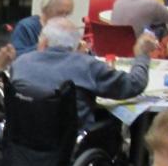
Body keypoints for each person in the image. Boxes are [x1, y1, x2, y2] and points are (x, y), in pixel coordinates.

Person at [10, 16, 157, 129]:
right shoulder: (87, 66)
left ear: (43, 42)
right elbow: (135, 84)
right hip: (70, 146)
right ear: (77, 45)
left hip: (23, 144)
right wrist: (142, 54)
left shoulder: (20, 63)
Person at [10, 0, 75, 56]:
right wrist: (44, 46)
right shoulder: (26, 27)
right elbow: (16, 56)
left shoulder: (64, 30)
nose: (63, 18)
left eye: (67, 14)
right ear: (46, 9)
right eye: (59, 13)